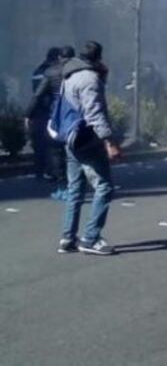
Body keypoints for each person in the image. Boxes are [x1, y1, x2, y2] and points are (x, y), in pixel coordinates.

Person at [58, 41, 122, 256]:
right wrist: (110, 142)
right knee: (104, 186)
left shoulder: (69, 74)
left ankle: (68, 237)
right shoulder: (89, 78)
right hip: (88, 139)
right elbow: (94, 114)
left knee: (75, 189)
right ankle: (90, 238)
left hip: (71, 137)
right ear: (98, 57)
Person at [26, 46, 74, 198]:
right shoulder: (78, 72)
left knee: (54, 148)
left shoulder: (44, 72)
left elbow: (37, 95)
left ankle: (60, 184)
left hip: (51, 114)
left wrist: (29, 114)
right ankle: (74, 182)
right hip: (73, 114)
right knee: (72, 149)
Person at [26, 47, 60, 181]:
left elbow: (36, 94)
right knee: (52, 143)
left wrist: (29, 114)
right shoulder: (51, 72)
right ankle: (53, 171)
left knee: (39, 143)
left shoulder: (37, 71)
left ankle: (39, 170)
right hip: (49, 111)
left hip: (38, 112)